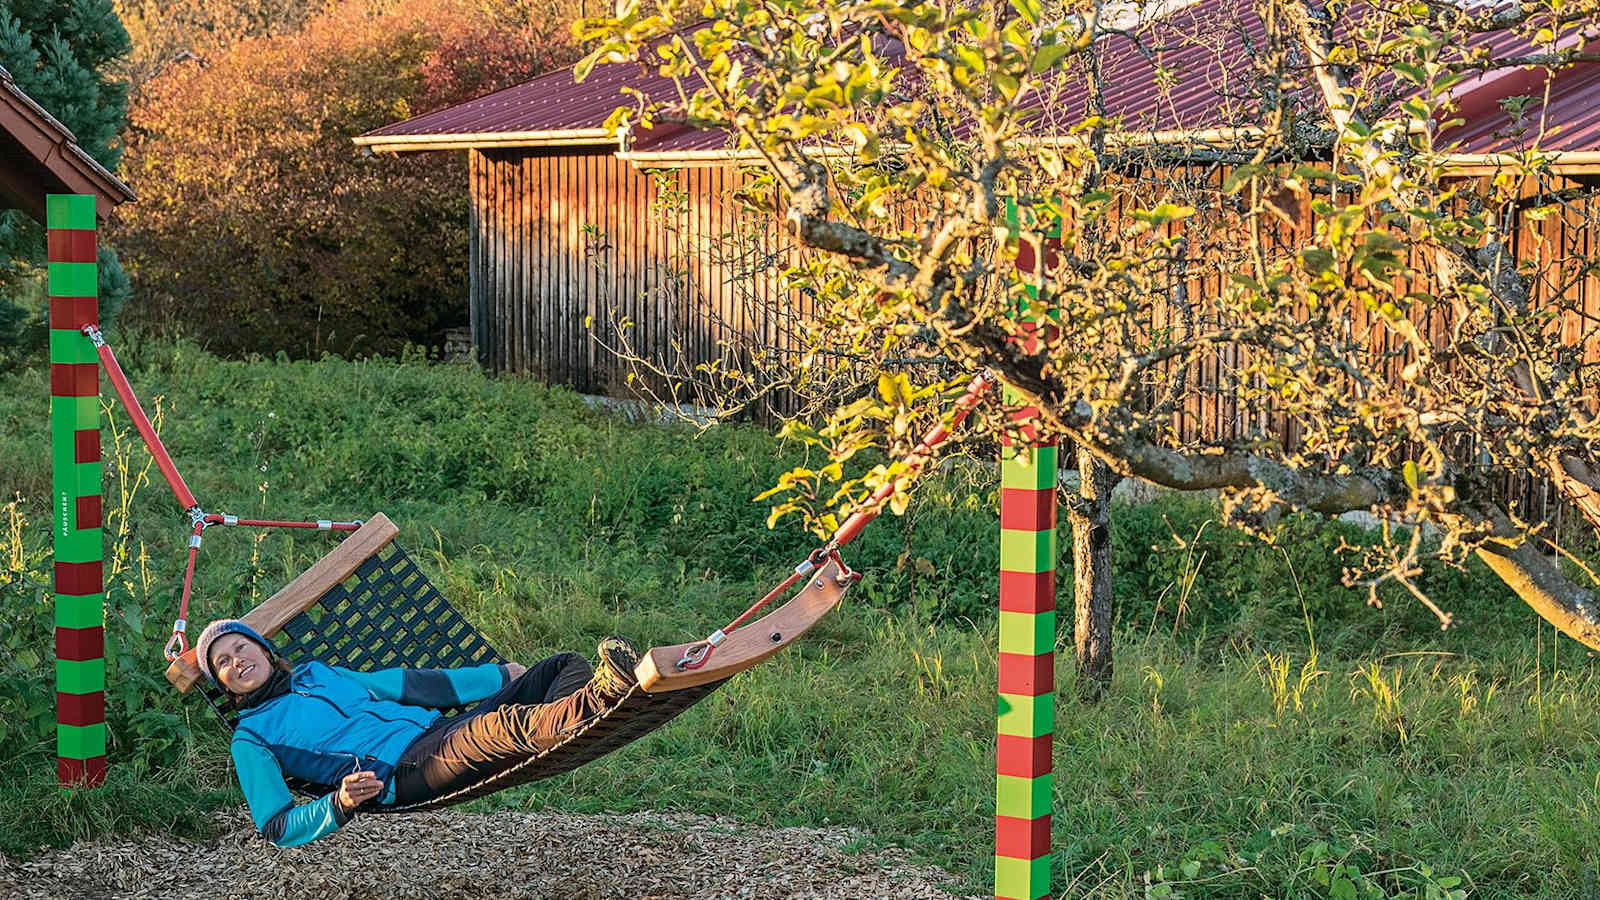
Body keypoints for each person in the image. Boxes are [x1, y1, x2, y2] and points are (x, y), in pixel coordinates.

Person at [194, 618, 641, 847]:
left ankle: (563, 723)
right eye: (224, 663)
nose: (237, 661)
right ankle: (601, 701)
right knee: (500, 728)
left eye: (241, 647)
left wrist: (497, 677)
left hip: (438, 729)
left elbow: (407, 684)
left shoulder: (317, 674)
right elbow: (276, 826)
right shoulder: (251, 738)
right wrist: (340, 803)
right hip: (403, 771)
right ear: (224, 684)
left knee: (560, 666)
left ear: (265, 650)